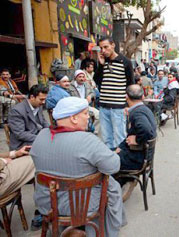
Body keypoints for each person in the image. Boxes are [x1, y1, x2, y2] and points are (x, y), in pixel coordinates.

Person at [30, 97, 124, 236]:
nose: (88, 118)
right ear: (74, 118)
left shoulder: (42, 135)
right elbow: (113, 166)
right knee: (111, 186)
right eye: (86, 114)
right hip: (81, 207)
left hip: (48, 204)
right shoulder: (87, 140)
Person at [94, 37, 134, 150]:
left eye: (106, 47)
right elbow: (97, 80)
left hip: (118, 107)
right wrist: (101, 65)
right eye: (101, 48)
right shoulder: (103, 61)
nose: (103, 50)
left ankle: (122, 162)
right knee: (107, 138)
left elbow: (130, 84)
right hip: (104, 106)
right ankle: (111, 162)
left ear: (113, 45)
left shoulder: (125, 62)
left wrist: (128, 105)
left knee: (120, 137)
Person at [116, 85, 157, 182]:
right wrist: (121, 147)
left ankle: (112, 192)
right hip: (143, 156)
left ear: (126, 97)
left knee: (105, 162)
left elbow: (145, 130)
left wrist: (137, 140)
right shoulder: (144, 109)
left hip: (137, 158)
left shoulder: (137, 113)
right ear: (143, 97)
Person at [8, 85, 49, 150]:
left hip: (36, 139)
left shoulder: (39, 105)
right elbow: (20, 134)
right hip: (22, 144)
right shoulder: (17, 111)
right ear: (32, 97)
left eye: (45, 99)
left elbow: (43, 121)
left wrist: (51, 131)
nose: (44, 102)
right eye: (41, 99)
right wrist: (41, 138)